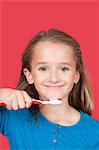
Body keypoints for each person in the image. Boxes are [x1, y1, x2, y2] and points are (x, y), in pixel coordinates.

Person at [0, 29, 99, 150]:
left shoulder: (95, 134)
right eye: (43, 69)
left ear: (76, 75)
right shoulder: (12, 116)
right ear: (29, 75)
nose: (54, 78)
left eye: (63, 69)